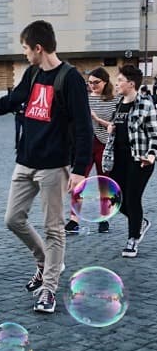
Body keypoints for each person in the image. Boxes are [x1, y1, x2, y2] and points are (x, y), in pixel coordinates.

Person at [0, 20, 92, 314]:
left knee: (54, 228)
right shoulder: (33, 72)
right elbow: (12, 100)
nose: (24, 54)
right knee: (13, 219)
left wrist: (79, 169)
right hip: (25, 162)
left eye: (25, 48)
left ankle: (48, 288)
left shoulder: (70, 78)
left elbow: (84, 128)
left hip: (53, 166)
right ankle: (46, 262)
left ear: (38, 48)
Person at [102, 64, 157, 258]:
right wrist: (112, 129)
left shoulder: (145, 104)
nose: (116, 84)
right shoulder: (119, 103)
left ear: (131, 84)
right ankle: (139, 221)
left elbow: (154, 134)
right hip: (118, 159)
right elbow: (119, 126)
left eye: (119, 81)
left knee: (133, 199)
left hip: (140, 160)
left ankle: (133, 239)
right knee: (115, 199)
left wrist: (151, 155)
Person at [65, 67, 118, 235]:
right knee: (79, 183)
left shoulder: (114, 100)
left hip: (104, 145)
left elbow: (114, 126)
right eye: (90, 82)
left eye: (96, 82)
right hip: (85, 146)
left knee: (105, 183)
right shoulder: (84, 99)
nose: (92, 85)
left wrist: (96, 119)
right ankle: (74, 220)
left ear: (105, 82)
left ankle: (104, 219)